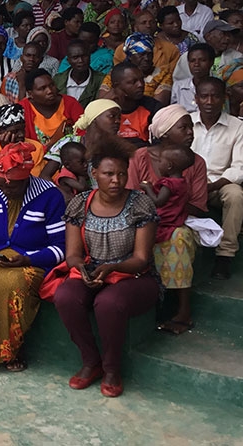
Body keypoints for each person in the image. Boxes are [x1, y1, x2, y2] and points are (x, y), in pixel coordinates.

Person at [55, 138, 159, 398]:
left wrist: (112, 268)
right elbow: (73, 255)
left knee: (109, 303)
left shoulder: (140, 204)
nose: (116, 180)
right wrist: (85, 270)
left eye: (122, 174)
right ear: (94, 174)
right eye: (109, 174)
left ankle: (112, 368)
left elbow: (141, 258)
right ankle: (91, 361)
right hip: (94, 270)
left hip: (134, 275)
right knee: (65, 296)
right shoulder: (80, 204)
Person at [0, 142, 66, 370]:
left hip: (31, 261)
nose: (6, 190)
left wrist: (27, 260)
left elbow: (61, 248)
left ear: (27, 179)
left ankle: (13, 350)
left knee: (12, 284)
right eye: (2, 183)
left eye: (14, 186)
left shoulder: (49, 196)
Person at [189, 77, 243, 281]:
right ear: (196, 99)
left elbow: (239, 167)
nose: (209, 101)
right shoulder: (185, 123)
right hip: (189, 185)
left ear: (224, 98)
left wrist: (211, 186)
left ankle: (225, 255)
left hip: (219, 185)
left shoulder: (237, 126)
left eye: (215, 96)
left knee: (236, 195)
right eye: (204, 96)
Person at [0, 104, 46, 185]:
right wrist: (6, 152)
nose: (21, 135)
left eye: (23, 129)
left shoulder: (35, 147)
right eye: (15, 131)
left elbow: (31, 181)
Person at [21, 69, 83, 150]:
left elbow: (83, 132)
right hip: (37, 159)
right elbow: (23, 144)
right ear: (30, 94)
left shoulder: (70, 103)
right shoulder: (23, 108)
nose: (50, 91)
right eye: (42, 88)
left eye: (52, 85)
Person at [104, 62, 161, 146]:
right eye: (133, 82)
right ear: (117, 86)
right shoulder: (103, 110)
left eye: (142, 80)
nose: (140, 85)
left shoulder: (153, 107)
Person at [52, 39, 105, 108]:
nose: (81, 60)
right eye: (75, 57)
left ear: (89, 56)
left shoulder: (101, 80)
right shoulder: (57, 80)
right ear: (68, 60)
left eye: (84, 56)